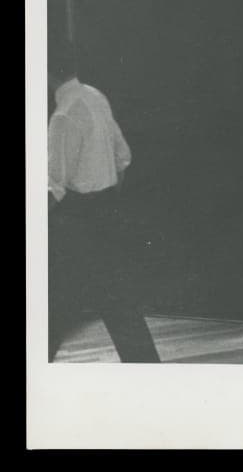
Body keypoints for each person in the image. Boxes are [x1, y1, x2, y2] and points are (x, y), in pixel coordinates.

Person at [47, 40, 160, 363]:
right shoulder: (95, 96)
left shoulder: (63, 117)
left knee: (58, 300)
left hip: (78, 220)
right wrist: (106, 202)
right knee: (116, 300)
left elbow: (53, 187)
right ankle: (149, 371)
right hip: (107, 212)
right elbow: (123, 157)